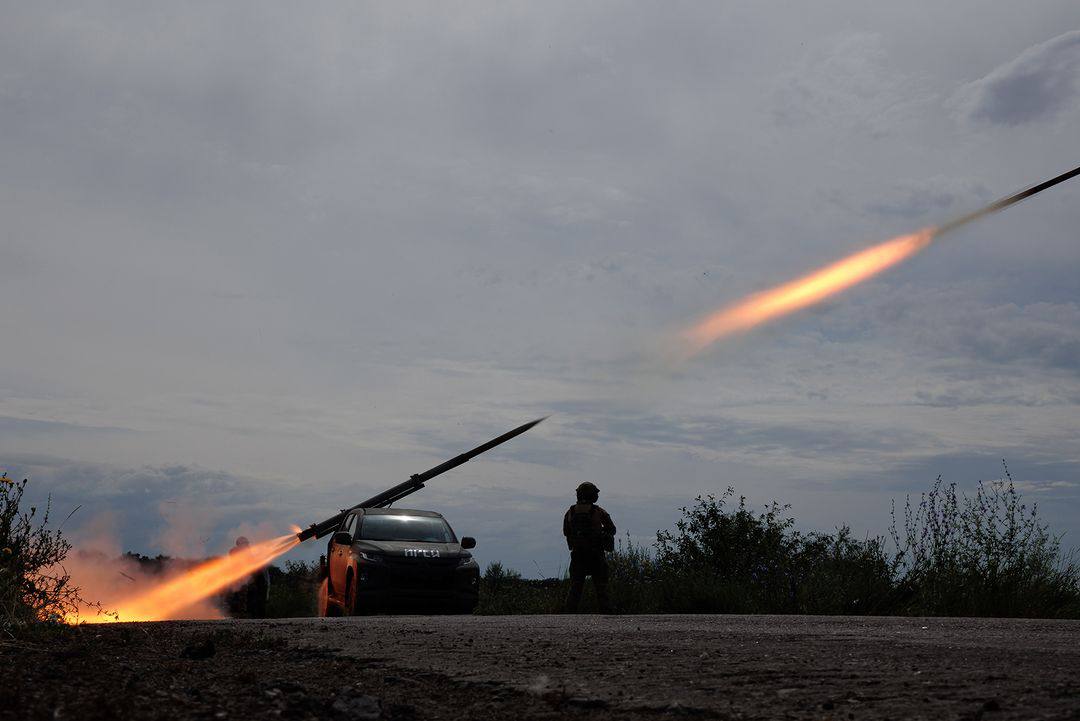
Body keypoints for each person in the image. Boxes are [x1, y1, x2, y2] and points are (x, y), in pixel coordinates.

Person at [563, 482, 616, 613]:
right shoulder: (598, 511)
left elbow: (566, 532)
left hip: (577, 555)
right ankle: (607, 617)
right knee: (602, 589)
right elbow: (612, 529)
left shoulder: (570, 512)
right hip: (596, 555)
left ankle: (567, 617)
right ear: (593, 495)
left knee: (575, 589)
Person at [226, 536, 270, 618]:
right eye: (243, 544)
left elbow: (261, 575)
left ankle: (255, 617)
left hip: (254, 588)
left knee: (256, 605)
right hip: (243, 587)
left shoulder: (252, 557)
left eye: (245, 543)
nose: (245, 546)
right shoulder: (235, 554)